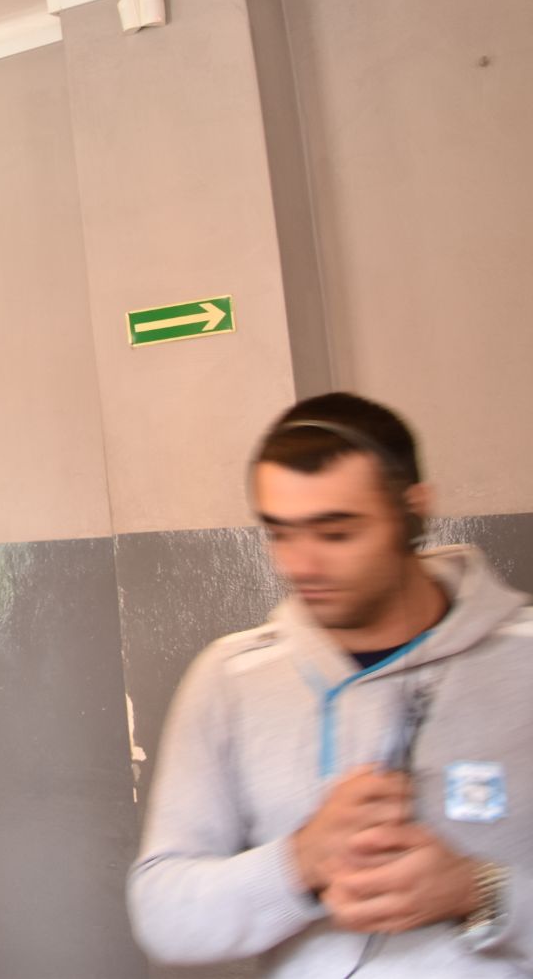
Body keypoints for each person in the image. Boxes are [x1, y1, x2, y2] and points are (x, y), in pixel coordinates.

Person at [129, 393, 530, 974]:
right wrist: (299, 862)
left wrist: (481, 893)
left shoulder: (522, 658)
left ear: (413, 512)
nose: (301, 566)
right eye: (280, 533)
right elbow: (165, 917)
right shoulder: (230, 679)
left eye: (336, 533)